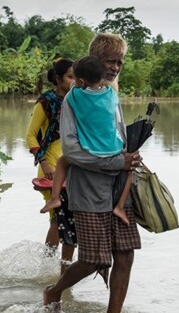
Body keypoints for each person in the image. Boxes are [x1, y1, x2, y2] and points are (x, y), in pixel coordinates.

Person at [42, 33, 142, 313]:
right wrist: (116, 162)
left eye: (120, 63)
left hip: (118, 186)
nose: (115, 68)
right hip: (87, 190)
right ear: (96, 62)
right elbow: (71, 151)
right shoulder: (74, 98)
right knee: (93, 259)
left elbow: (117, 137)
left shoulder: (111, 94)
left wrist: (131, 157)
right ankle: (54, 291)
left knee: (125, 254)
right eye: (111, 61)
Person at [40, 56, 131, 226]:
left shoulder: (73, 97)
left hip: (90, 149)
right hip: (115, 149)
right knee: (131, 169)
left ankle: (54, 198)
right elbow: (119, 126)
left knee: (62, 162)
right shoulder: (111, 95)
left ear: (80, 80)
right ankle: (120, 206)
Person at [25, 58, 76, 272]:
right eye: (70, 77)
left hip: (72, 163)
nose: (74, 81)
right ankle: (49, 266)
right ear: (57, 78)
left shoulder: (76, 101)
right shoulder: (45, 102)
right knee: (57, 218)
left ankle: (58, 268)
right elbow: (30, 136)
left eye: (76, 77)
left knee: (66, 217)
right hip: (51, 164)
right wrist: (44, 163)